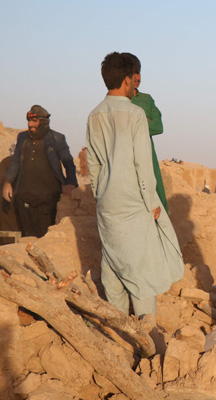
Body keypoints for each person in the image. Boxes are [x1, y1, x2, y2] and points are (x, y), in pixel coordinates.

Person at [86, 52, 183, 317]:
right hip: (134, 203)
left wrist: (99, 195)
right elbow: (142, 163)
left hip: (107, 203)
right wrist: (152, 202)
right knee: (142, 274)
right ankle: (147, 336)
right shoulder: (135, 113)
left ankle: (118, 335)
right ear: (128, 80)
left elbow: (92, 163)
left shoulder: (94, 115)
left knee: (112, 268)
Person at [3, 105, 77, 237]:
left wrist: (70, 184)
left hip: (48, 199)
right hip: (24, 197)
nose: (30, 124)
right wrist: (8, 182)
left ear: (43, 122)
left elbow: (69, 163)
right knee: (27, 237)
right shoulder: (22, 137)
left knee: (44, 236)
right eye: (29, 121)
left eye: (34, 121)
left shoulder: (57, 138)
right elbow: (15, 162)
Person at [125, 53, 169, 214]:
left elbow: (158, 126)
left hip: (147, 154)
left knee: (156, 196)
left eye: (139, 72)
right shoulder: (119, 102)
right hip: (126, 156)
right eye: (133, 73)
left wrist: (135, 124)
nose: (137, 77)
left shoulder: (146, 99)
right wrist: (145, 120)